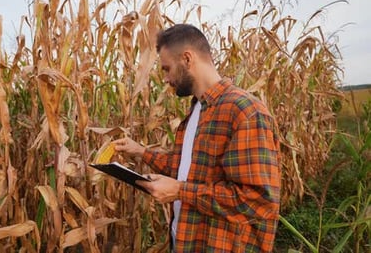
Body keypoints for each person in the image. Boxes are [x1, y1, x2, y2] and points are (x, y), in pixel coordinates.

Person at [113, 24, 280, 252]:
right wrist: (140, 151)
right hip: (186, 241)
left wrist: (180, 191)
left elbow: (258, 201)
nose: (165, 78)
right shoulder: (198, 110)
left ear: (187, 59)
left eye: (167, 69)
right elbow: (187, 169)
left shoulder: (244, 112)